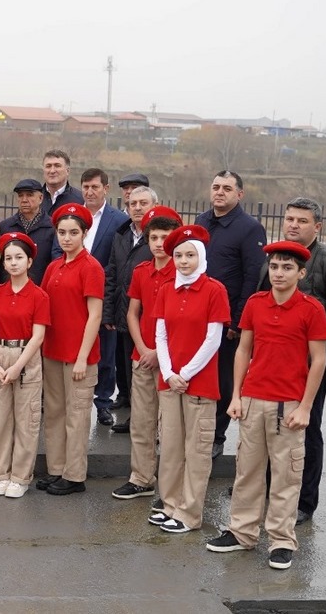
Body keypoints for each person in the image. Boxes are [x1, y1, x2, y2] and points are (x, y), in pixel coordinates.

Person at [207, 240, 326, 570]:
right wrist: (236, 397)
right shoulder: (255, 304)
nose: (278, 272)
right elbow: (243, 350)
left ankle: (281, 540)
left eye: (287, 267)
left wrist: (305, 406)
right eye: (274, 266)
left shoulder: (312, 309)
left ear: (301, 273)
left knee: (287, 476)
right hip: (252, 400)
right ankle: (242, 532)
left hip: (288, 405)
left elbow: (318, 361)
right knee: (247, 471)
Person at [147, 225, 230, 533]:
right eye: (179, 255)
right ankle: (169, 504)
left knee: (196, 451)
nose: (183, 261)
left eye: (190, 255)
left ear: (202, 256)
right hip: (170, 382)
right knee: (169, 447)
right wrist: (169, 373)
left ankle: (189, 514)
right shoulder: (167, 289)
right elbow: (161, 333)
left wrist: (185, 373)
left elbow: (213, 339)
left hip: (199, 384)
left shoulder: (214, 290)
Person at [255, 198, 326, 525]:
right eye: (289, 219)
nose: (294, 224)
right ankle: (270, 489)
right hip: (272, 359)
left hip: (312, 360)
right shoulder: (273, 257)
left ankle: (303, 501)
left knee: (305, 425)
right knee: (270, 424)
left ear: (318, 226)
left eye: (302, 220)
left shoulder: (324, 261)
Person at [111, 206, 181, 501]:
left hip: (171, 362)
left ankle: (170, 487)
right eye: (154, 237)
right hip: (142, 357)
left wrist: (160, 355)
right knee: (141, 422)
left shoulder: (182, 272)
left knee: (170, 428)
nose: (159, 243)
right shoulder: (142, 271)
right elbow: (132, 313)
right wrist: (142, 349)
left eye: (165, 237)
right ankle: (141, 478)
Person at [194, 170, 267, 459]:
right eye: (215, 187)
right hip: (198, 315)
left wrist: (237, 319)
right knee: (198, 373)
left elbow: (253, 276)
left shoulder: (250, 228)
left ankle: (216, 435)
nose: (219, 192)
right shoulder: (202, 221)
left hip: (227, 320)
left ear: (240, 194)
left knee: (223, 379)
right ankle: (197, 431)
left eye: (226, 188)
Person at [37, 203, 104, 496]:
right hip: (53, 351)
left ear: (84, 234)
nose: (67, 238)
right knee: (54, 413)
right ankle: (56, 469)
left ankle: (74, 476)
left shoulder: (91, 267)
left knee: (77, 417)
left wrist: (81, 358)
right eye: (62, 232)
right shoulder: (53, 266)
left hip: (79, 356)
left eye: (73, 232)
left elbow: (95, 315)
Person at [53, 169, 128, 427]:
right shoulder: (70, 216)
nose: (90, 191)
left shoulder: (118, 219)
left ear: (106, 189)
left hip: (101, 292)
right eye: (86, 186)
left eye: (95, 186)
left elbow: (119, 258)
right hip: (72, 287)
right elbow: (57, 249)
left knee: (104, 354)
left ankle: (104, 402)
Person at [0, 232, 49, 499]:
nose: (13, 263)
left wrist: (17, 367)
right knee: (0, 420)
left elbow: (38, 336)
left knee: (26, 420)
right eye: (8, 258)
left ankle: (20, 477)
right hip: (0, 354)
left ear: (30, 261)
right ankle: (0, 474)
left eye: (19, 258)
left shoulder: (39, 295)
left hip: (26, 358)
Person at [104, 185, 159, 430]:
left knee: (151, 371)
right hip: (125, 313)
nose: (136, 208)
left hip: (152, 316)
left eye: (143, 203)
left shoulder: (159, 237)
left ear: (153, 207)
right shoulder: (122, 233)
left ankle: (151, 420)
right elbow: (113, 272)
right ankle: (135, 416)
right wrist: (109, 310)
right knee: (129, 368)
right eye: (132, 204)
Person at [0, 178, 55, 286]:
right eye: (21, 195)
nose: (24, 199)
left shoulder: (52, 228)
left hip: (41, 290)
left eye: (30, 195)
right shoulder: (5, 227)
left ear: (40, 198)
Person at [41, 149, 84, 215]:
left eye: (57, 166)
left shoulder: (81, 200)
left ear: (68, 171)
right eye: (48, 166)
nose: (52, 171)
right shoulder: (33, 199)